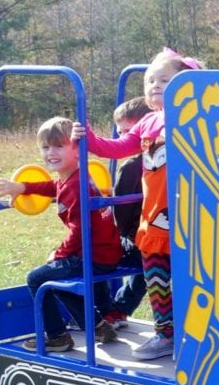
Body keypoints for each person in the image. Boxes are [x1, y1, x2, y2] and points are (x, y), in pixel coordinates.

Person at [73, 48, 204, 360]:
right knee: (157, 280)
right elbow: (115, 148)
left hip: (193, 217)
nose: (155, 85)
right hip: (155, 218)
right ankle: (165, 334)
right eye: (149, 81)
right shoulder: (146, 123)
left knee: (193, 280)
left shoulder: (195, 117)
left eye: (164, 79)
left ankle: (198, 334)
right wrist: (87, 137)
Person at [0, 117, 122, 352]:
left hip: (93, 256)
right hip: (102, 252)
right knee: (58, 280)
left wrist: (58, 255)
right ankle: (98, 326)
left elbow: (80, 230)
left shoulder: (76, 185)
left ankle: (57, 337)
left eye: (59, 146)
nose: (51, 152)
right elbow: (53, 187)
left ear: (78, 149)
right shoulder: (74, 177)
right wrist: (24, 187)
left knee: (36, 278)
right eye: (45, 147)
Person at [102, 96, 152, 329]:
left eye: (126, 133)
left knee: (91, 253)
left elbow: (121, 214)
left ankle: (110, 310)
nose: (122, 139)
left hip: (136, 238)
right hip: (153, 236)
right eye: (120, 133)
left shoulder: (132, 166)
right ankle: (120, 308)